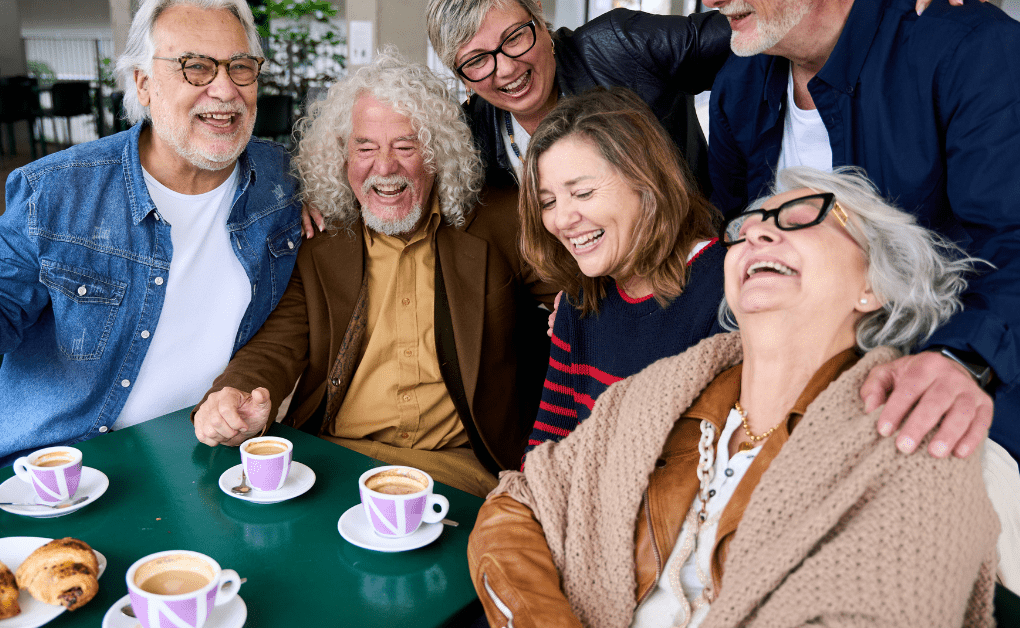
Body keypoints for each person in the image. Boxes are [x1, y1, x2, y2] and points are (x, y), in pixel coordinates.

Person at [467, 167, 999, 627]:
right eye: (746, 229)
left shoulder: (918, 438)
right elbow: (518, 502)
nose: (760, 234)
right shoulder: (661, 392)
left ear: (874, 287)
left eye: (801, 217)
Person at [0, 0, 301, 470]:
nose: (225, 89)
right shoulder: (56, 190)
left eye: (241, 67)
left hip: (205, 463)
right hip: (61, 472)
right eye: (196, 68)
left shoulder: (285, 181)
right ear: (143, 83)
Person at [191, 50, 558, 497]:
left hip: (457, 469)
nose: (384, 168)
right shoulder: (320, 238)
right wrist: (235, 395)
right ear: (342, 156)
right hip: (333, 458)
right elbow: (279, 342)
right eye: (365, 148)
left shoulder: (500, 222)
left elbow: (583, 299)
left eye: (406, 147)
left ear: (438, 154)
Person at [705, 0, 1020, 464]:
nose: (709, 0)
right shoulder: (739, 85)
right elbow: (734, 237)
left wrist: (960, 358)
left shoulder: (966, 47)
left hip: (958, 402)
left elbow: (1012, 238)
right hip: (797, 417)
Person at [519, 88, 725, 454]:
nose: (562, 219)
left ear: (645, 182)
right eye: (548, 202)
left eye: (582, 193)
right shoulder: (579, 298)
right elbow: (547, 450)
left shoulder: (727, 292)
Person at [425, 0, 729, 194]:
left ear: (539, 17)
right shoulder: (470, 136)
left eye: (515, 37)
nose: (505, 69)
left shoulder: (619, 45)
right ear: (461, 75)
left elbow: (747, 34)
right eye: (476, 60)